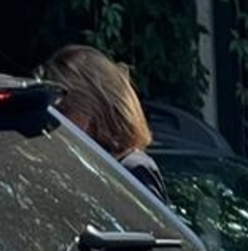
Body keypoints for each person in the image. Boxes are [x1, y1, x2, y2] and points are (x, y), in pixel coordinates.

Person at [37, 43, 169, 201]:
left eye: (63, 111)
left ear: (95, 108)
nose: (54, 123)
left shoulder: (131, 170)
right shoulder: (74, 170)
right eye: (49, 112)